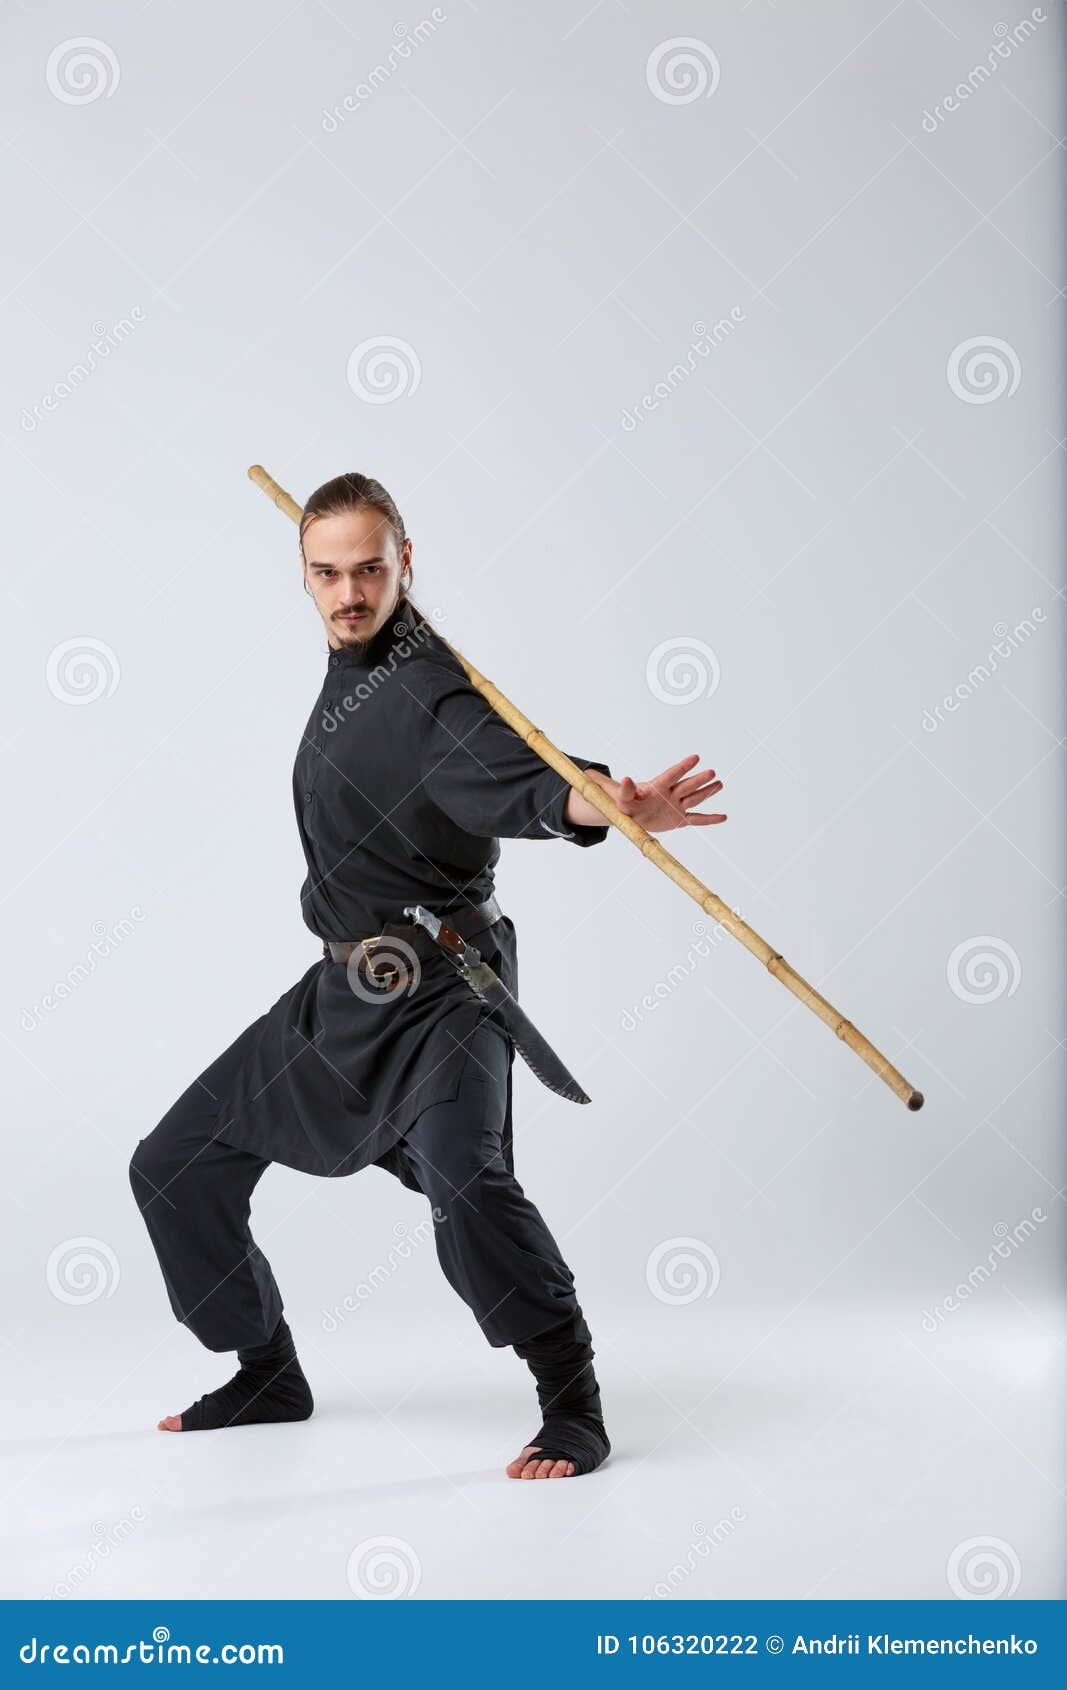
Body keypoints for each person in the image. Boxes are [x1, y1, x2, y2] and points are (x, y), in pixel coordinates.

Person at [128, 471, 727, 1479]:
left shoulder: (427, 692)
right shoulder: (358, 662)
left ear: (408, 563)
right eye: (328, 572)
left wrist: (602, 804)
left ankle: (570, 1395)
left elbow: (525, 776)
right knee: (173, 1165)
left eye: (370, 568)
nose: (349, 591)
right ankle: (266, 1368)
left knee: (469, 1189)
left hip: (446, 993)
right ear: (304, 577)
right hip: (342, 998)